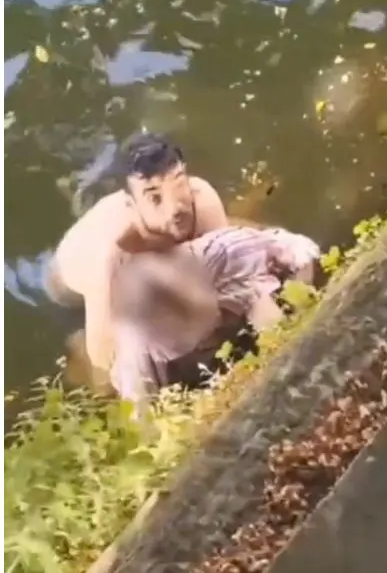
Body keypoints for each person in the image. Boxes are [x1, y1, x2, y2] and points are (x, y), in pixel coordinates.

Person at [47, 133, 229, 382]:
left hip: (157, 253)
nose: (175, 208)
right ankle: (76, 338)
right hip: (69, 284)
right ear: (132, 205)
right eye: (155, 197)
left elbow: (228, 277)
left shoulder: (202, 199)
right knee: (103, 372)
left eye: (178, 184)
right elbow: (104, 358)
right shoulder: (111, 250)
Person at [107, 224, 320, 405]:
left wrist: (290, 305)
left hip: (241, 295)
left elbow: (304, 250)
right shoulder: (137, 349)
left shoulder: (233, 254)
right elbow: (141, 422)